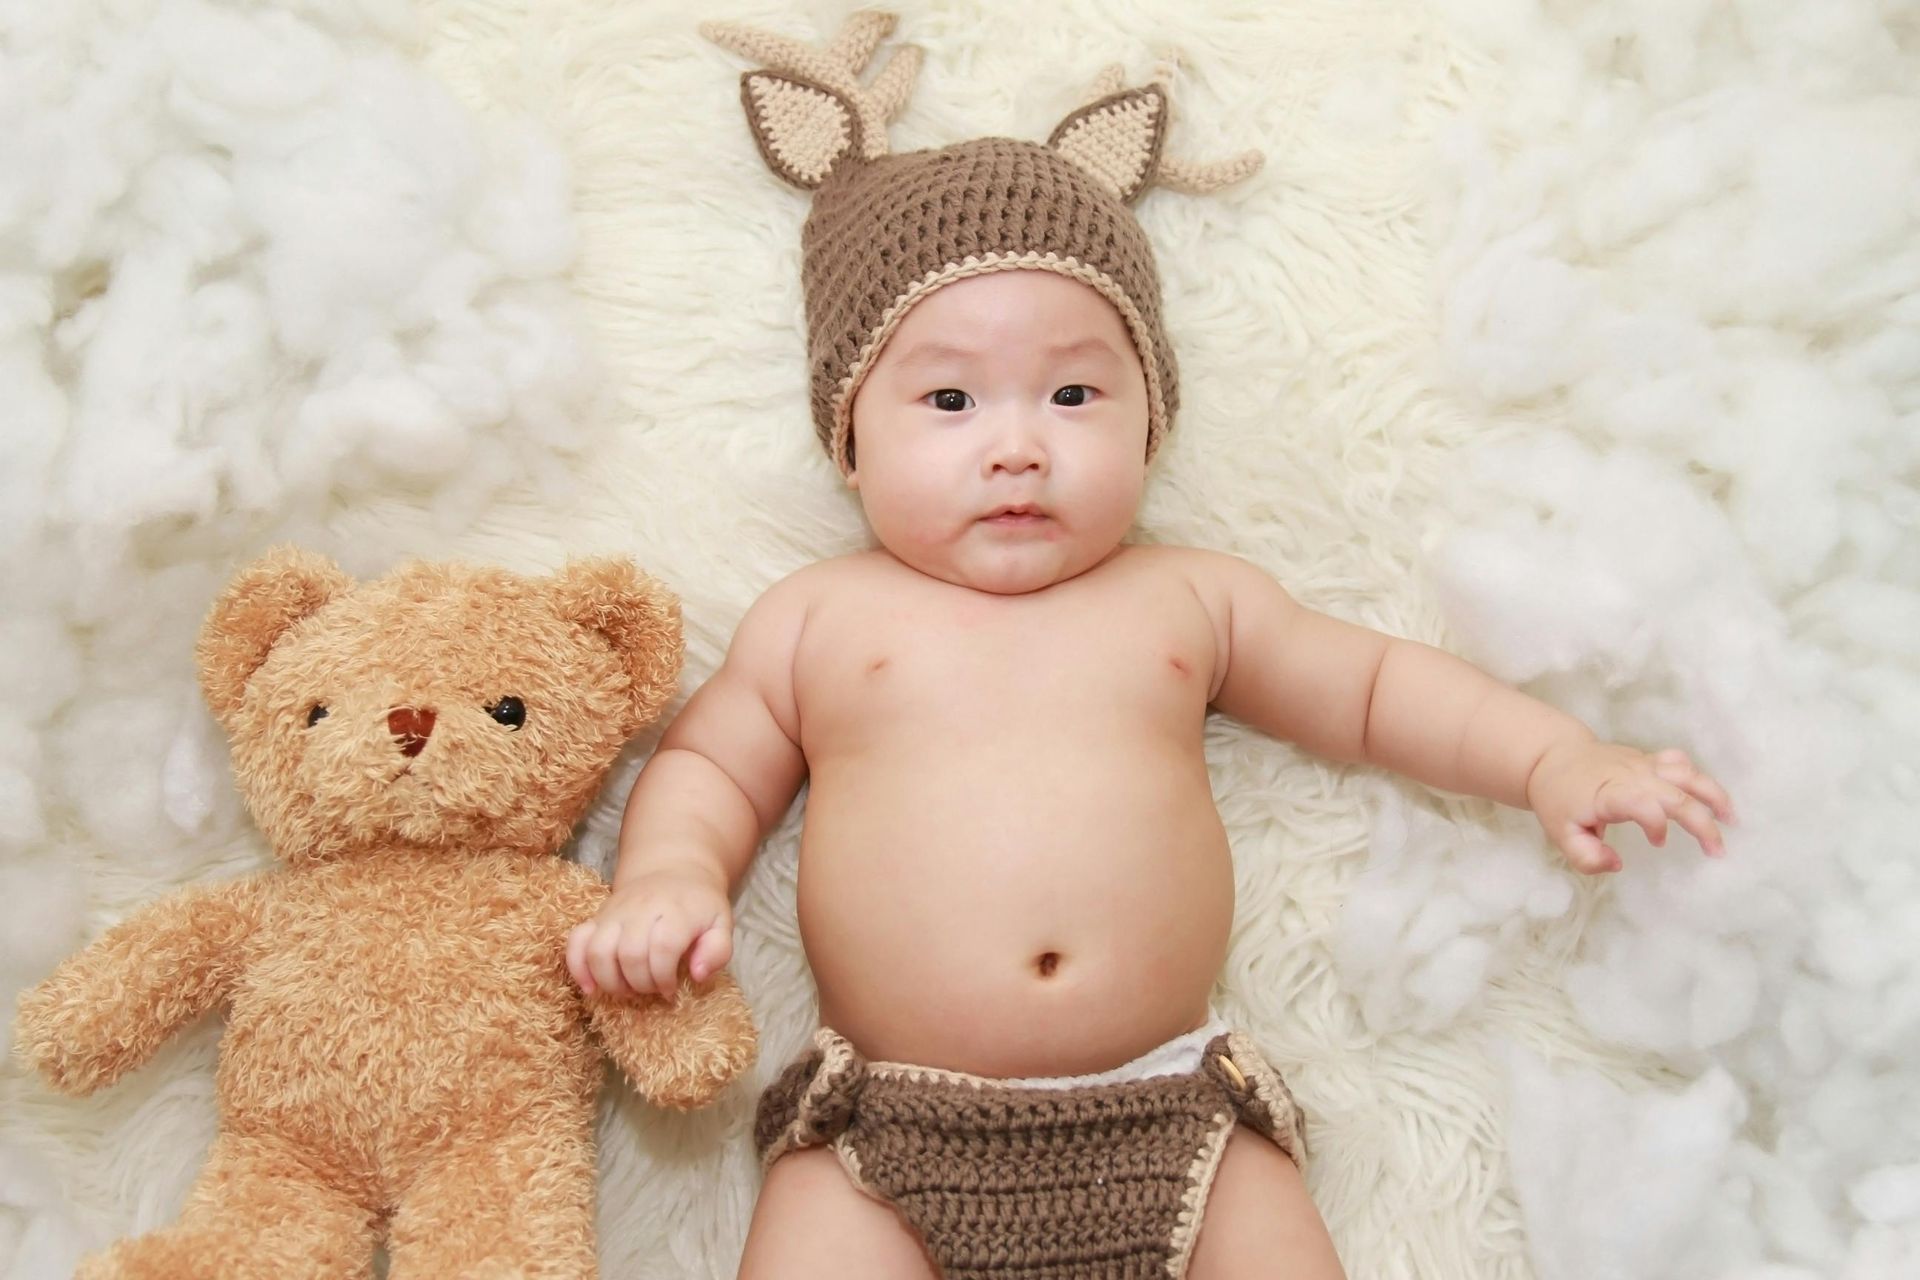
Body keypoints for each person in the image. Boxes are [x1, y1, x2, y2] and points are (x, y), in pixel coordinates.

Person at [567, 14, 1734, 1278]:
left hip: (1177, 1111)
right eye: (949, 399)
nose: (1018, 444)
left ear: (1150, 416)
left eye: (1074, 392)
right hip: (884, 1131)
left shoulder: (1189, 599)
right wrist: (670, 877)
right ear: (849, 437)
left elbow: (1379, 686)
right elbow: (712, 770)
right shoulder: (819, 618)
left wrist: (1552, 757)